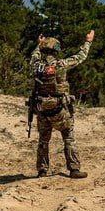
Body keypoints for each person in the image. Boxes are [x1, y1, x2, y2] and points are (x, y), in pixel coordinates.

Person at [30, 29, 94, 178]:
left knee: (43, 141)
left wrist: (38, 45)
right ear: (56, 50)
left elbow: (34, 56)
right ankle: (74, 169)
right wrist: (88, 41)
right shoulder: (61, 64)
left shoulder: (36, 65)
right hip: (60, 109)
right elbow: (81, 56)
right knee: (68, 137)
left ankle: (42, 170)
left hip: (42, 110)